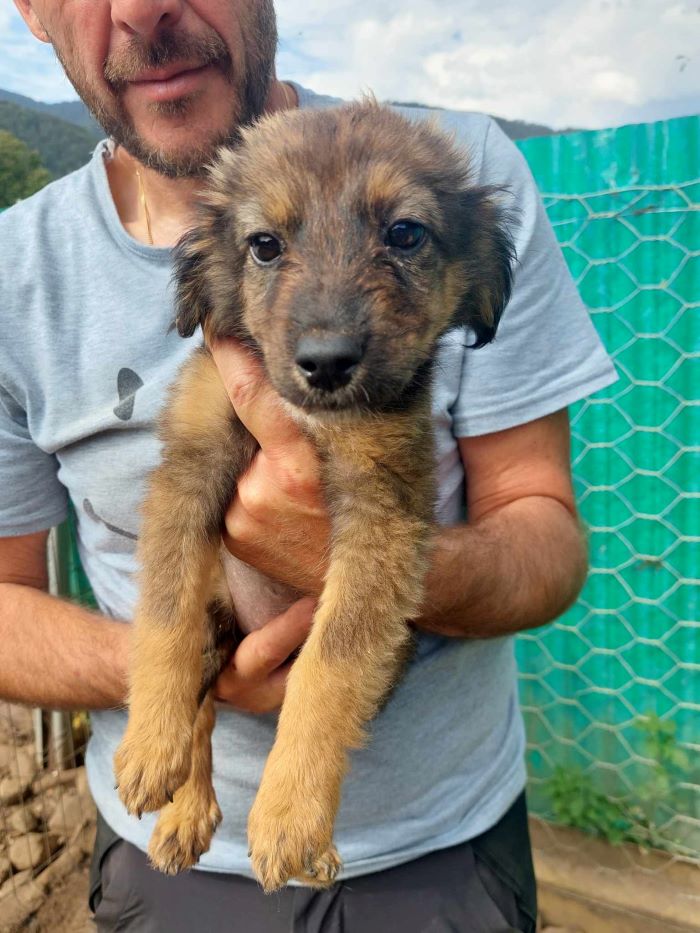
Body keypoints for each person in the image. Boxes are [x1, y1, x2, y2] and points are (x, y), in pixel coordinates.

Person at [1, 2, 616, 930]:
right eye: (268, 248)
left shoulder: (463, 166)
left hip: (441, 850)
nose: (139, 8)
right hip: (170, 856)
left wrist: (364, 558)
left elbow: (545, 533)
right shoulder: (18, 276)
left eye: (401, 239)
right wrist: (184, 672)